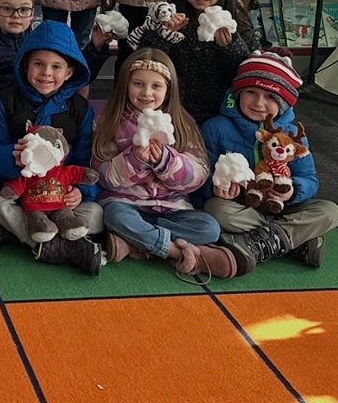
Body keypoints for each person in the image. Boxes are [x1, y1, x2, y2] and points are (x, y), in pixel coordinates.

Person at [92, 48, 249, 280]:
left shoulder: (182, 122)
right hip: (126, 204)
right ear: (125, 84)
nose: (146, 93)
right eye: (138, 84)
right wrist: (134, 160)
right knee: (114, 216)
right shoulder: (108, 120)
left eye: (156, 86)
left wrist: (166, 162)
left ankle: (135, 244)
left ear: (168, 90)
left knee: (209, 228)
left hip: (171, 208)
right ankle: (176, 252)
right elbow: (102, 175)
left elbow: (198, 175)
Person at [0, 20, 103, 274]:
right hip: (19, 192)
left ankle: (16, 235)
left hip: (59, 197)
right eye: (38, 64)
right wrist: (13, 157)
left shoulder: (80, 109)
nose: (46, 73)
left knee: (97, 213)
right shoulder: (3, 101)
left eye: (56, 67)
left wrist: (80, 192)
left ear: (69, 72)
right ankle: (63, 246)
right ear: (25, 65)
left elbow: (85, 160)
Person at [201, 52, 338, 270]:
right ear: (238, 93)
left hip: (284, 206)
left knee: (331, 211)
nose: (259, 103)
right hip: (241, 206)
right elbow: (202, 174)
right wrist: (215, 187)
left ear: (284, 104)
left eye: (270, 97)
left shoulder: (294, 135)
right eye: (251, 92)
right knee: (214, 210)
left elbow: (309, 179)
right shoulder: (215, 128)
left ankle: (259, 241)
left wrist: (292, 191)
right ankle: (295, 240)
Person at [125, 0, 258, 125]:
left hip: (222, 113)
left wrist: (229, 46)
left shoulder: (236, 21)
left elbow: (249, 70)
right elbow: (146, 62)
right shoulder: (168, 16)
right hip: (174, 111)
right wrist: (164, 36)